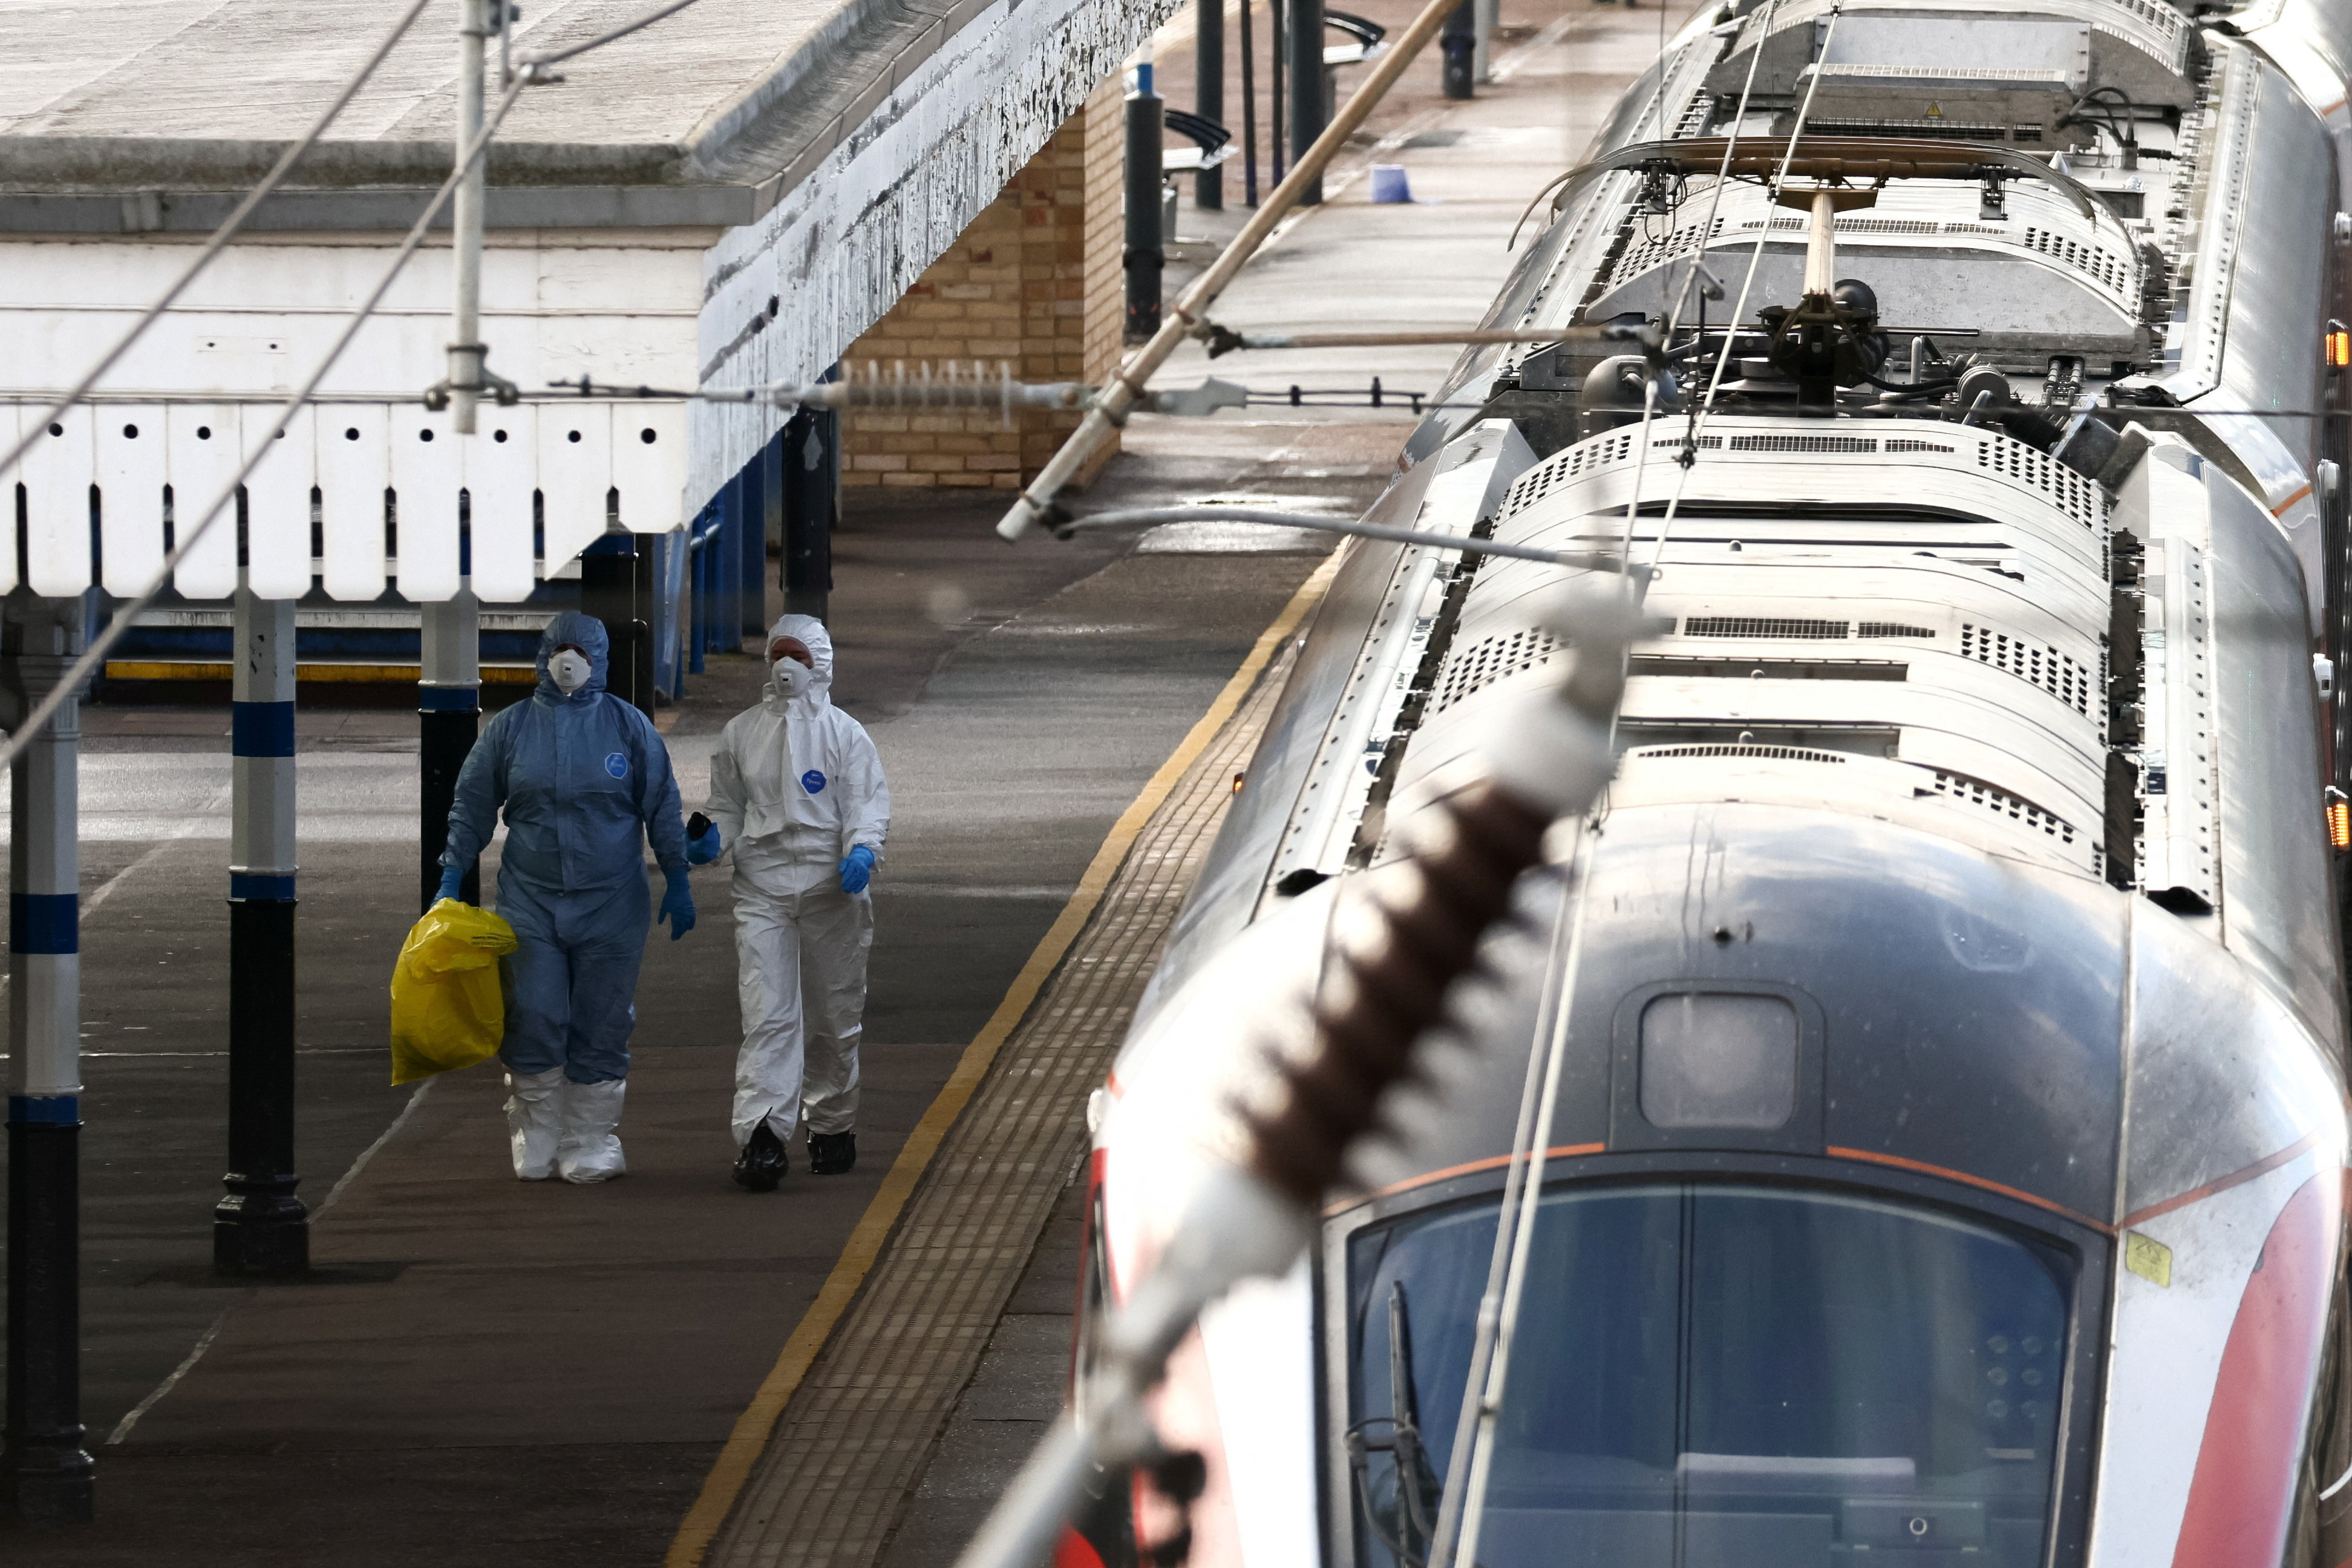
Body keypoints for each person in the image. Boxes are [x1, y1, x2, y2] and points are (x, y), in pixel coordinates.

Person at [438, 611, 719, 1184]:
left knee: (602, 1020)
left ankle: (591, 1137)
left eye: (580, 649)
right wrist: (451, 875)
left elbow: (662, 807)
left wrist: (678, 879)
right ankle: (537, 1129)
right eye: (559, 648)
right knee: (536, 1012)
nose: (569, 660)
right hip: (530, 901)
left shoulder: (629, 728)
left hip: (612, 904)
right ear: (542, 657)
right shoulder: (511, 729)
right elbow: (472, 805)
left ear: (601, 659)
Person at [706, 613, 890, 1191]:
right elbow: (726, 805)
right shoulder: (742, 733)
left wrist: (862, 851)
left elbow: (867, 805)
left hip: (830, 889)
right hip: (761, 888)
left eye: (799, 658)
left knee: (833, 1016)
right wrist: (709, 838)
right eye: (778, 656)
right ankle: (762, 1136)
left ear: (821, 666)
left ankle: (831, 1124)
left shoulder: (846, 735)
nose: (786, 668)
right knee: (769, 1014)